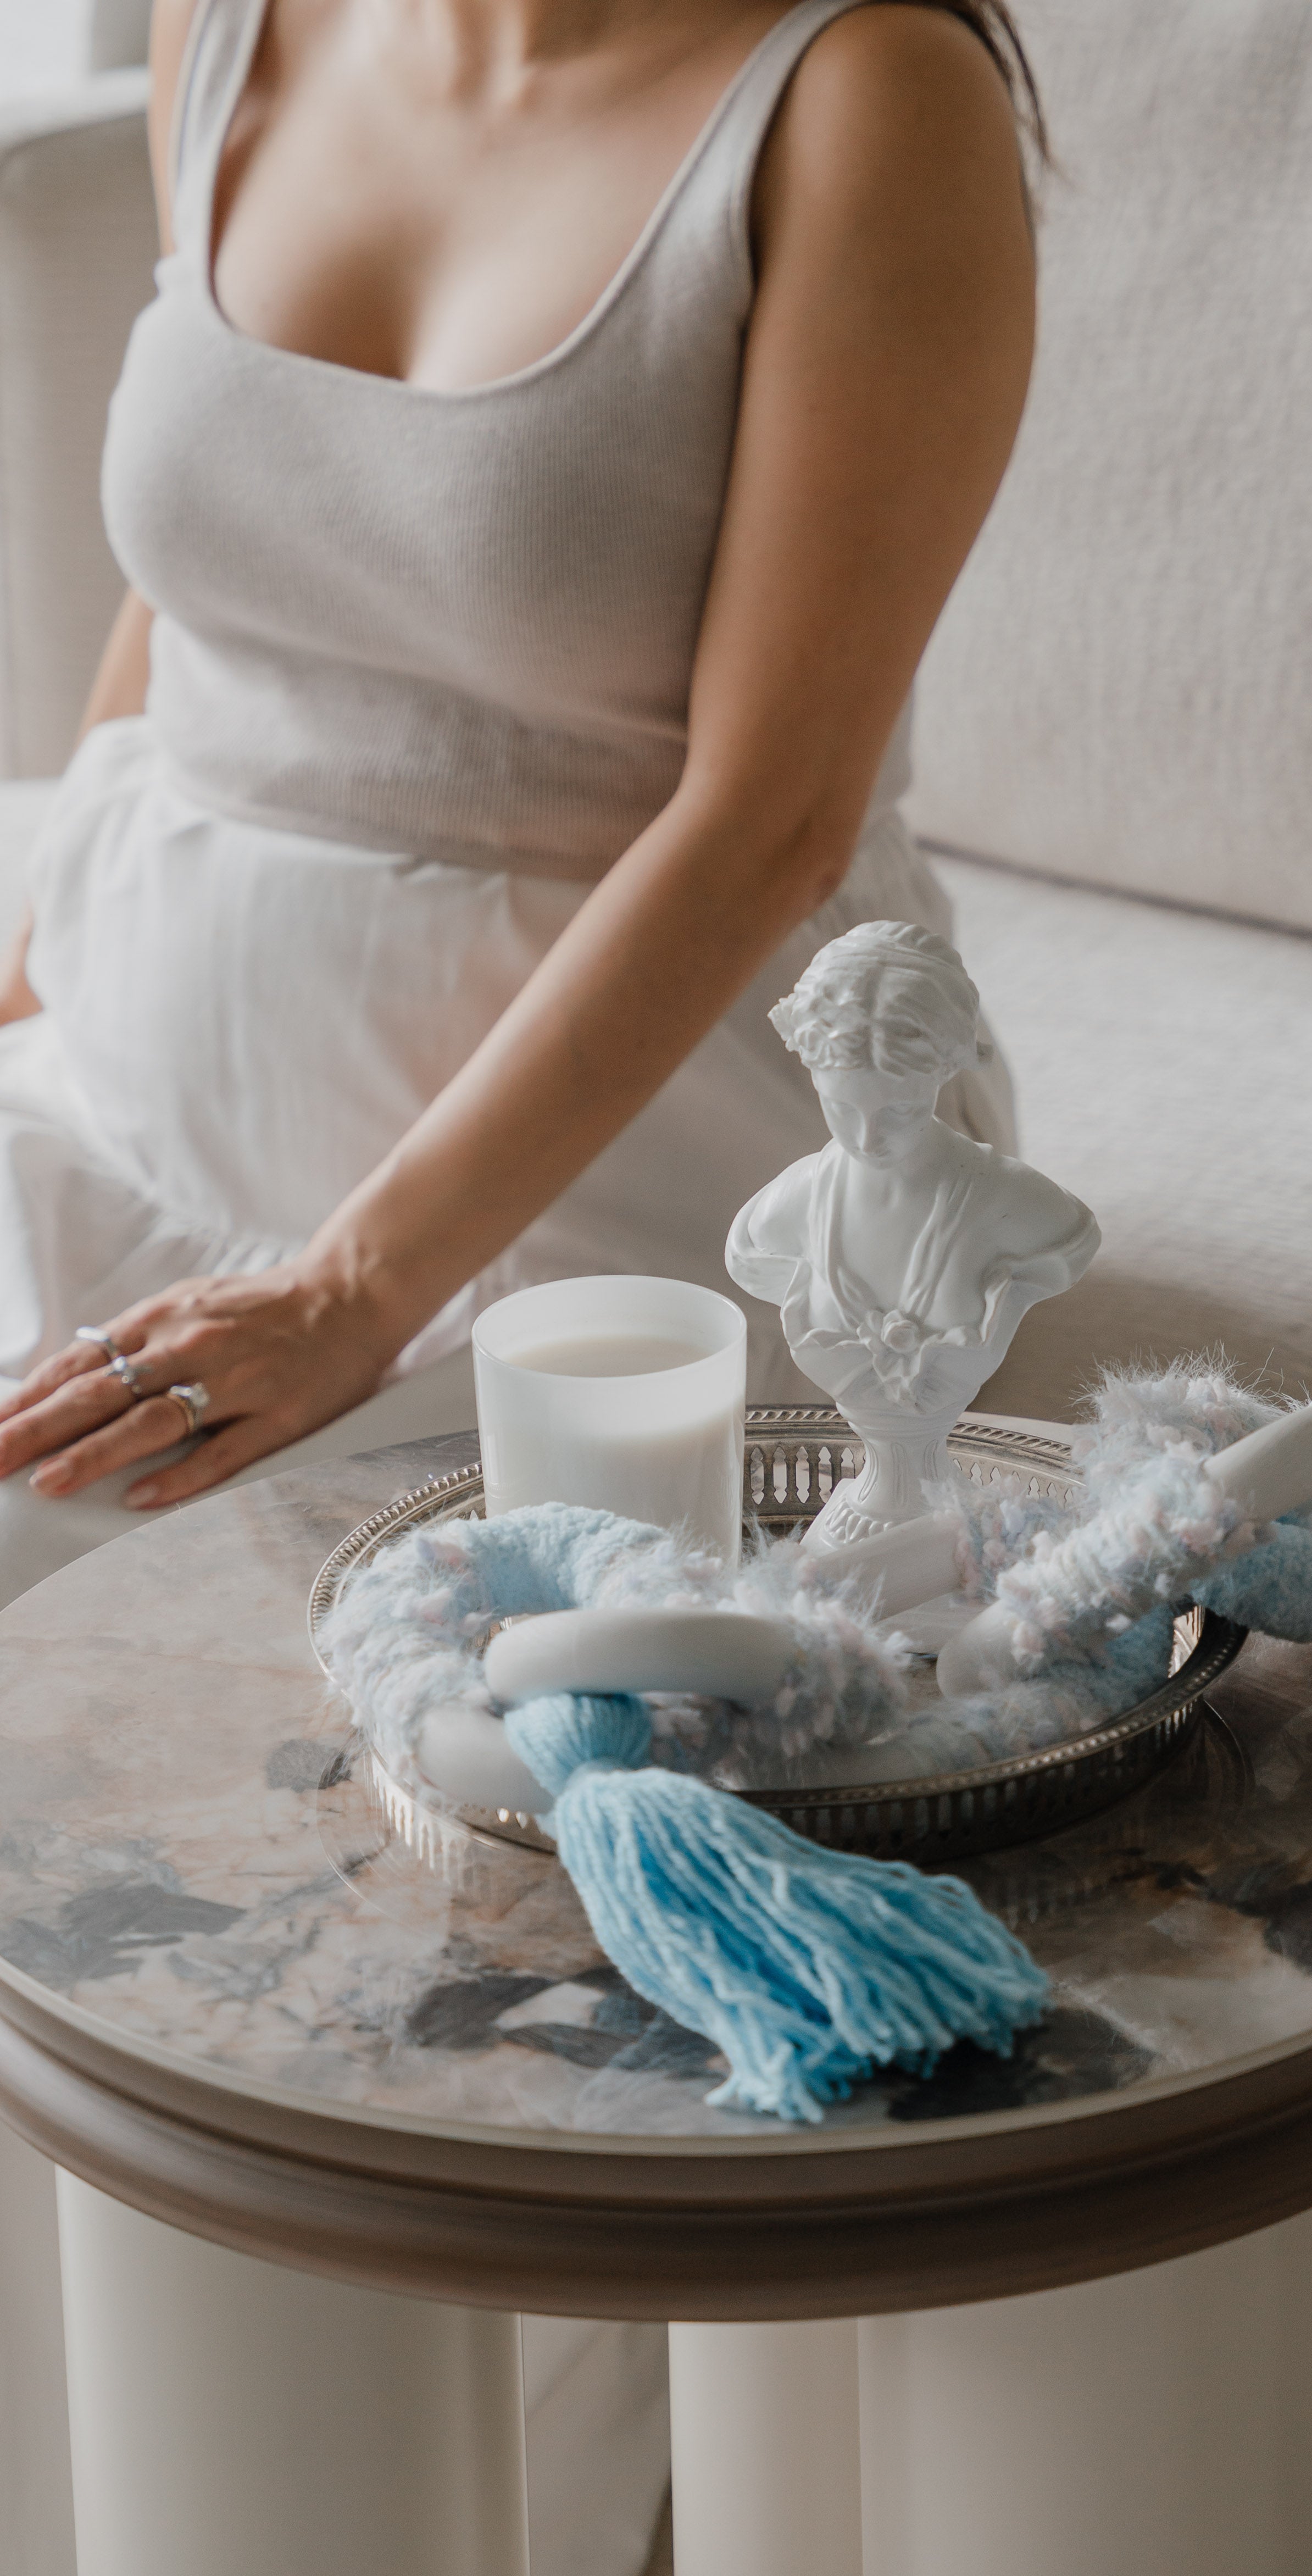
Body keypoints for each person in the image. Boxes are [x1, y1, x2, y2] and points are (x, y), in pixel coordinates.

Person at [0, 1, 1041, 2566]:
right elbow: (196, 585)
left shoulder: (860, 98)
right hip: (131, 1085)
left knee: (381, 1771)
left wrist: (360, 1287)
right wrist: (35, 948)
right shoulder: (233, 30)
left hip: (582, 1202)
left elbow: (771, 811)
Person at [728, 919, 1098, 1537]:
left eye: (899, 1109)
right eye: (840, 1107)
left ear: (943, 1071)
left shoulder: (1014, 1204)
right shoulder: (790, 1208)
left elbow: (1074, 1240)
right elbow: (751, 1253)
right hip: (847, 1525)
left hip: (948, 1529)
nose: (868, 1138)